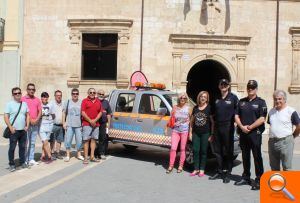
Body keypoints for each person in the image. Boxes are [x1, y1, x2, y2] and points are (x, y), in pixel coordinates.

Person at [234, 80, 267, 190]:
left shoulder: (261, 102)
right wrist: (242, 127)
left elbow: (262, 118)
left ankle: (259, 179)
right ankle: (246, 177)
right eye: (249, 87)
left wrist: (250, 127)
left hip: (255, 134)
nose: (250, 89)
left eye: (252, 87)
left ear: (256, 89)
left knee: (257, 157)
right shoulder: (241, 101)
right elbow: (236, 116)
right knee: (245, 156)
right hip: (243, 133)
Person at [209, 79, 239, 183]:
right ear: (219, 86)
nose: (223, 86)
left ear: (228, 86)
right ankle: (219, 170)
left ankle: (228, 172)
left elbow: (237, 112)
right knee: (218, 150)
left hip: (228, 126)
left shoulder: (233, 98)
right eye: (221, 84)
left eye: (225, 84)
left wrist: (235, 124)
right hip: (217, 127)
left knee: (228, 150)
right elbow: (211, 113)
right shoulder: (216, 98)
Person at [268, 90, 300, 171]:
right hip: (272, 142)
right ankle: (277, 184)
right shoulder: (271, 111)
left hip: (286, 142)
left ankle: (288, 184)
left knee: (287, 168)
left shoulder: (291, 111)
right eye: (275, 99)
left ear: (284, 99)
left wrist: (293, 136)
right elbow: (271, 125)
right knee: (274, 168)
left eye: (279, 99)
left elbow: (298, 126)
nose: (277, 101)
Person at [4, 87, 30, 171]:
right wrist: (10, 127)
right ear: (13, 95)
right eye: (15, 93)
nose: (18, 94)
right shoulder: (9, 104)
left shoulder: (24, 104)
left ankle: (22, 162)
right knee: (12, 148)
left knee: (22, 147)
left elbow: (28, 115)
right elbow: (6, 117)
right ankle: (11, 164)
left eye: (19, 93)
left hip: (23, 130)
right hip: (14, 131)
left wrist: (27, 125)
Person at [189, 91, 214, 177]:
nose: (203, 98)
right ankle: (196, 169)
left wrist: (212, 134)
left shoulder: (209, 108)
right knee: (195, 151)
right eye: (201, 96)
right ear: (199, 98)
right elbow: (191, 122)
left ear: (207, 99)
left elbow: (212, 122)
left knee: (203, 151)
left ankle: (202, 169)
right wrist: (190, 133)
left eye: (205, 97)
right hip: (196, 133)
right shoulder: (195, 108)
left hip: (205, 133)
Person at [166, 92, 191, 174]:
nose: (182, 99)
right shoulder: (175, 107)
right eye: (181, 98)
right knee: (173, 148)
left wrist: (190, 131)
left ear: (186, 99)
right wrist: (166, 128)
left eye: (184, 98)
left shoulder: (189, 108)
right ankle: (171, 165)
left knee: (183, 149)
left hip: (184, 131)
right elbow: (171, 119)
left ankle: (180, 165)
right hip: (175, 130)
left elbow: (192, 120)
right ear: (179, 99)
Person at [21, 83, 42, 166]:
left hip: (35, 124)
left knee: (32, 142)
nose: (31, 91)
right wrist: (29, 121)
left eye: (33, 89)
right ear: (27, 90)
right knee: (26, 143)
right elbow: (22, 112)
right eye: (29, 89)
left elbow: (40, 111)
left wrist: (36, 119)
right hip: (26, 124)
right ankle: (25, 159)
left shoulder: (37, 100)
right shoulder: (22, 99)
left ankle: (31, 159)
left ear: (35, 90)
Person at [81, 88, 103, 164]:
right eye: (91, 92)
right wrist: (90, 121)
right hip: (87, 124)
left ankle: (92, 157)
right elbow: (83, 112)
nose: (92, 93)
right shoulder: (84, 101)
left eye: (94, 92)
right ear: (88, 93)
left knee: (93, 140)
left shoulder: (98, 101)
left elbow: (100, 112)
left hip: (96, 125)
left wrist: (95, 120)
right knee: (86, 141)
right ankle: (86, 158)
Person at [62, 88, 84, 162]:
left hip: (78, 125)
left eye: (76, 94)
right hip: (69, 124)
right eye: (73, 93)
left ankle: (79, 154)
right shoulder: (68, 102)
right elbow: (64, 113)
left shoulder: (81, 102)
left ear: (78, 94)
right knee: (68, 140)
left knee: (79, 140)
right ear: (71, 94)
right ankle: (68, 155)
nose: (75, 95)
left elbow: (83, 114)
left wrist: (83, 124)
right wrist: (64, 123)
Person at [39, 92, 56, 163]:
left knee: (45, 142)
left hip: (49, 126)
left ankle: (43, 155)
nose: (45, 98)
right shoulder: (39, 105)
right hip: (41, 126)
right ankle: (49, 156)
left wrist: (51, 121)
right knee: (45, 141)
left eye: (46, 97)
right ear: (41, 98)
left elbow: (53, 114)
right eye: (44, 97)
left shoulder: (50, 105)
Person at [97, 89, 112, 160]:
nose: (101, 95)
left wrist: (108, 123)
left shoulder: (106, 102)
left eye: (102, 94)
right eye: (100, 94)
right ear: (97, 94)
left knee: (103, 138)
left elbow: (109, 113)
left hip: (103, 123)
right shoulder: (95, 101)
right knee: (93, 138)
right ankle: (92, 153)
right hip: (95, 123)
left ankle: (101, 153)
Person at [50, 90, 64, 159]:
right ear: (55, 96)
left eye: (60, 95)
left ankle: (57, 152)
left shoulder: (63, 103)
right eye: (57, 95)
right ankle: (52, 152)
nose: (59, 96)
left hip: (61, 125)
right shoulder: (51, 103)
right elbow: (49, 113)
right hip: (53, 124)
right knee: (52, 139)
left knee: (59, 140)